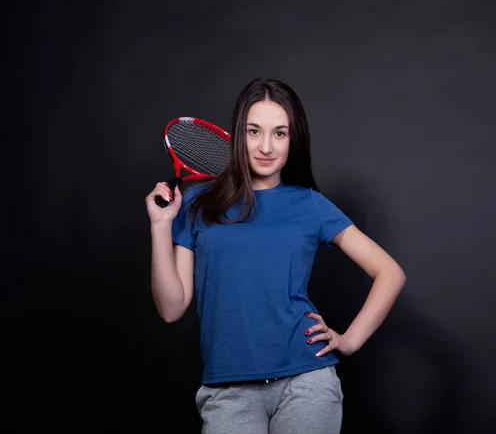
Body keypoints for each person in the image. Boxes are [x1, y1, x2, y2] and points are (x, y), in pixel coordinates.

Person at [145, 78, 406, 434]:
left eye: (279, 133)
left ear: (293, 139)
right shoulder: (196, 203)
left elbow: (390, 273)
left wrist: (349, 340)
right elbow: (171, 308)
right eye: (254, 131)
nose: (266, 146)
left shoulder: (310, 205)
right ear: (239, 134)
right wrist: (161, 226)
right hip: (228, 390)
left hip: (306, 381)